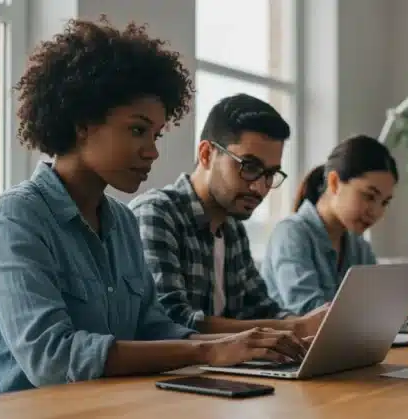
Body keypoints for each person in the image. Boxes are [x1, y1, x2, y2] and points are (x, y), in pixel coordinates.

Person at [0, 17, 308, 397]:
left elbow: (154, 328)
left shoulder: (123, 222)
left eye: (156, 135)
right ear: (83, 123)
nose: (152, 151)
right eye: (137, 130)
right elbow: (52, 357)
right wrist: (210, 349)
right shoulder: (15, 218)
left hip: (109, 405)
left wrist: (244, 345)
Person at [129, 94, 327, 339]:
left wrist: (313, 323)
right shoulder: (157, 213)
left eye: (270, 174)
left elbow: (260, 308)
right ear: (206, 154)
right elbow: (172, 321)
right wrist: (295, 328)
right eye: (249, 167)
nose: (259, 188)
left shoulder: (233, 227)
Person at [260, 135, 408, 316]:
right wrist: (386, 309)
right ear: (334, 183)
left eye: (384, 202)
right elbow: (310, 312)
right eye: (369, 196)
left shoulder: (360, 247)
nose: (376, 212)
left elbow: (370, 308)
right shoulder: (291, 234)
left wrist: (404, 309)